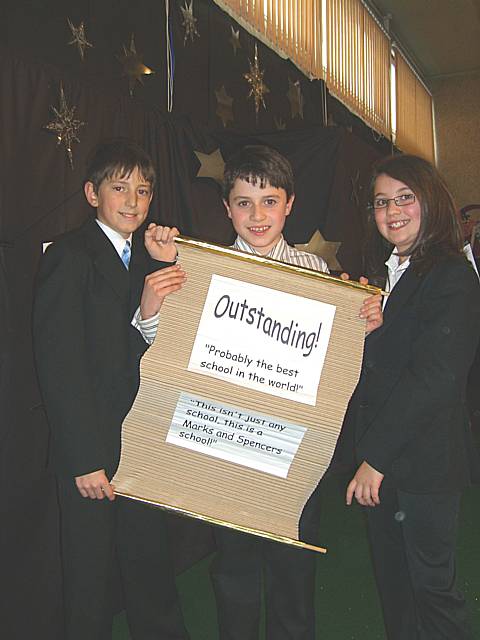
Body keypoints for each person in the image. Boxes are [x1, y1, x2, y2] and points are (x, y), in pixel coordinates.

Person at [210, 144, 382, 640]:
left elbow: (335, 358)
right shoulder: (207, 268)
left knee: (293, 568)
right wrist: (153, 307)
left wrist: (363, 326)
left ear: (289, 205)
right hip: (226, 444)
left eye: (269, 201)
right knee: (234, 570)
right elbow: (172, 353)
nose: (257, 214)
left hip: (295, 449)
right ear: (227, 209)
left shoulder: (316, 272)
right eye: (243, 202)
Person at [33, 139, 189, 640]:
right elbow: (60, 365)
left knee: (150, 568)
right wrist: (83, 458)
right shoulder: (68, 256)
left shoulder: (147, 258)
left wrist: (166, 261)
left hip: (141, 445)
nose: (132, 201)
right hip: (92, 451)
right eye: (119, 188)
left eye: (143, 191)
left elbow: (162, 349)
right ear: (91, 193)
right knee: (89, 580)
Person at [339, 154, 480, 640]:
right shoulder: (396, 272)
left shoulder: (452, 275)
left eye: (405, 197)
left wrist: (374, 458)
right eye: (382, 201)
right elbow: (394, 358)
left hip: (422, 465)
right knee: (395, 588)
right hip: (390, 461)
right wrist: (370, 326)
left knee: (431, 594)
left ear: (430, 202)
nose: (392, 210)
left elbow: (435, 378)